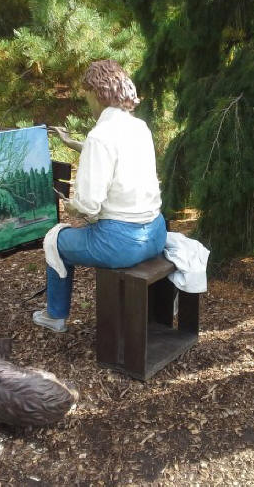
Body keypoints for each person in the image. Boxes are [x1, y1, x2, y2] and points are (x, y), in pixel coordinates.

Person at [32, 60, 166, 333]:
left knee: (55, 239)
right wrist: (72, 143)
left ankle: (55, 316)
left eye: (87, 93)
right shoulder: (139, 127)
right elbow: (118, 156)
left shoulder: (100, 135)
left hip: (121, 244)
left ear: (98, 93)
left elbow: (87, 204)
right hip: (155, 233)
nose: (86, 100)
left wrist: (71, 207)